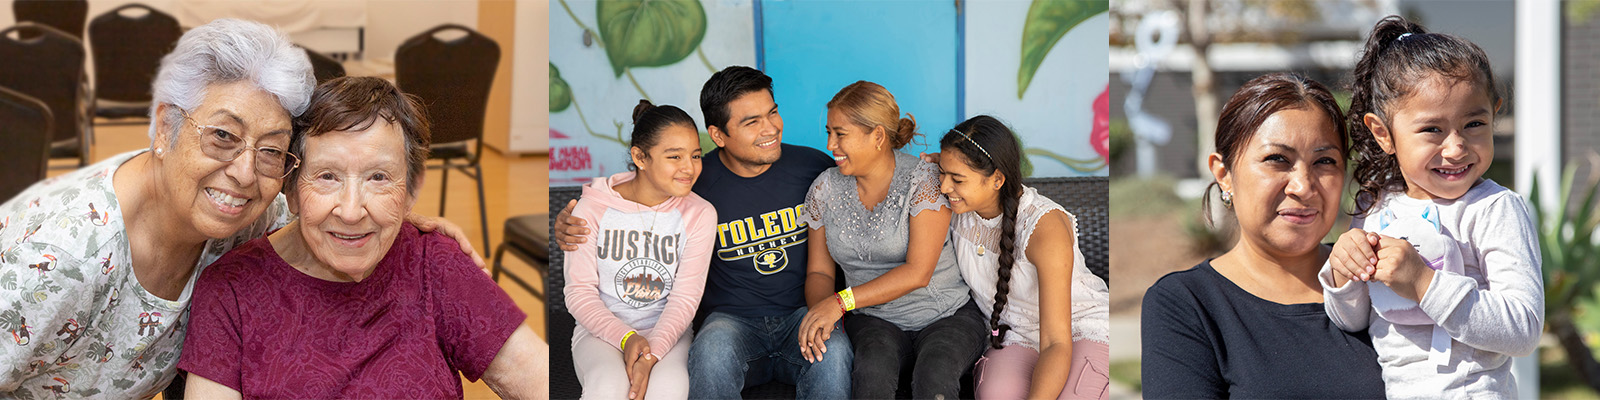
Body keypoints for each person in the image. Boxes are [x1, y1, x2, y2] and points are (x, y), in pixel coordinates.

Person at [0, 19, 478, 398]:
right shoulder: (57, 256)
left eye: (271, 150)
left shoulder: (244, 216)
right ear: (166, 128)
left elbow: (323, 213)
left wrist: (401, 218)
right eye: (223, 137)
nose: (246, 174)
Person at [177, 76, 545, 398]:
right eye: (327, 177)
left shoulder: (435, 263)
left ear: (410, 192)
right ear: (290, 191)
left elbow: (540, 379)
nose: (351, 211)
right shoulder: (231, 291)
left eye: (379, 178)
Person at [555, 66, 852, 399]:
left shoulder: (813, 168)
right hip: (730, 322)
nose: (771, 128)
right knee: (712, 353)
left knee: (835, 352)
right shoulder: (692, 182)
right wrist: (575, 217)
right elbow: (639, 191)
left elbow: (871, 193)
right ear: (719, 135)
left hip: (801, 314)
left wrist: (923, 168)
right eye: (751, 122)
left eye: (773, 113)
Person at [1321, 16, 1542, 398]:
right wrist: (1344, 272)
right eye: (1432, 130)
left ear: (1495, 112)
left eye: (1474, 123)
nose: (1456, 147)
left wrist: (1424, 283)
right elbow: (1351, 320)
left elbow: (1522, 329)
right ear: (1383, 133)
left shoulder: (1496, 209)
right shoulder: (1375, 210)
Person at [1140, 73, 1387, 398]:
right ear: (1224, 175)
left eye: (1325, 161)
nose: (1303, 186)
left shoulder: (1379, 277)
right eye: (1277, 160)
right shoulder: (1188, 305)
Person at [796, 80, 983, 399]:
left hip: (945, 316)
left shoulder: (923, 180)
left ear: (878, 136)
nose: (830, 145)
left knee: (933, 380)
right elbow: (819, 273)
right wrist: (822, 315)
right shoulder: (824, 189)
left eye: (840, 134)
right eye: (829, 132)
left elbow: (918, 272)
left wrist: (840, 302)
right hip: (874, 321)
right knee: (871, 379)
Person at [936, 115, 1111, 399]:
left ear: (997, 179)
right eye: (942, 173)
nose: (944, 187)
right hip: (1014, 333)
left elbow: (1056, 340)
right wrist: (942, 165)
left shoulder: (1043, 227)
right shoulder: (958, 207)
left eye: (957, 179)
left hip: (1077, 329)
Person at [565, 100, 716, 400]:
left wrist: (651, 353)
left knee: (669, 391)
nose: (689, 167)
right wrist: (626, 337)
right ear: (640, 157)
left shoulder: (700, 214)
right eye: (674, 156)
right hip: (599, 334)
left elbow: (685, 299)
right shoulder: (592, 208)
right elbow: (578, 292)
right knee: (607, 387)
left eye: (696, 156)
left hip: (669, 334)